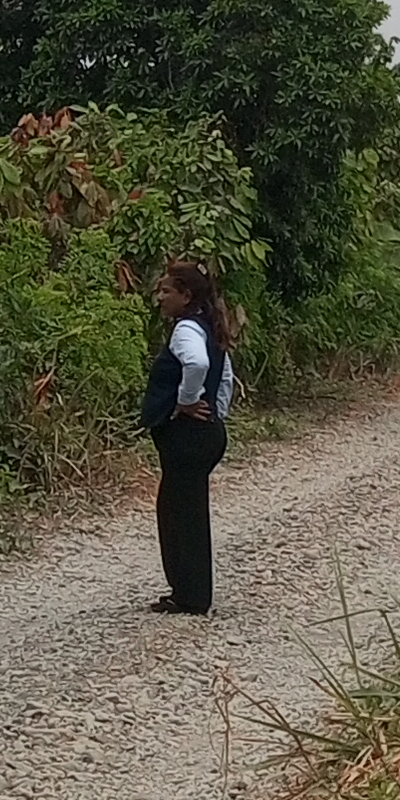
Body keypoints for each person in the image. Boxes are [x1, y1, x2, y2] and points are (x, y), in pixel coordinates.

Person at [142, 258, 236, 616]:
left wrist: (186, 401)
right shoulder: (209, 325)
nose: (160, 297)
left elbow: (197, 364)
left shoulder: (186, 330)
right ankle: (190, 590)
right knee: (187, 510)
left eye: (167, 291)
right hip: (207, 433)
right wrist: (217, 411)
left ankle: (190, 595)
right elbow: (225, 375)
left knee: (181, 514)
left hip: (188, 436)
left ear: (185, 295)